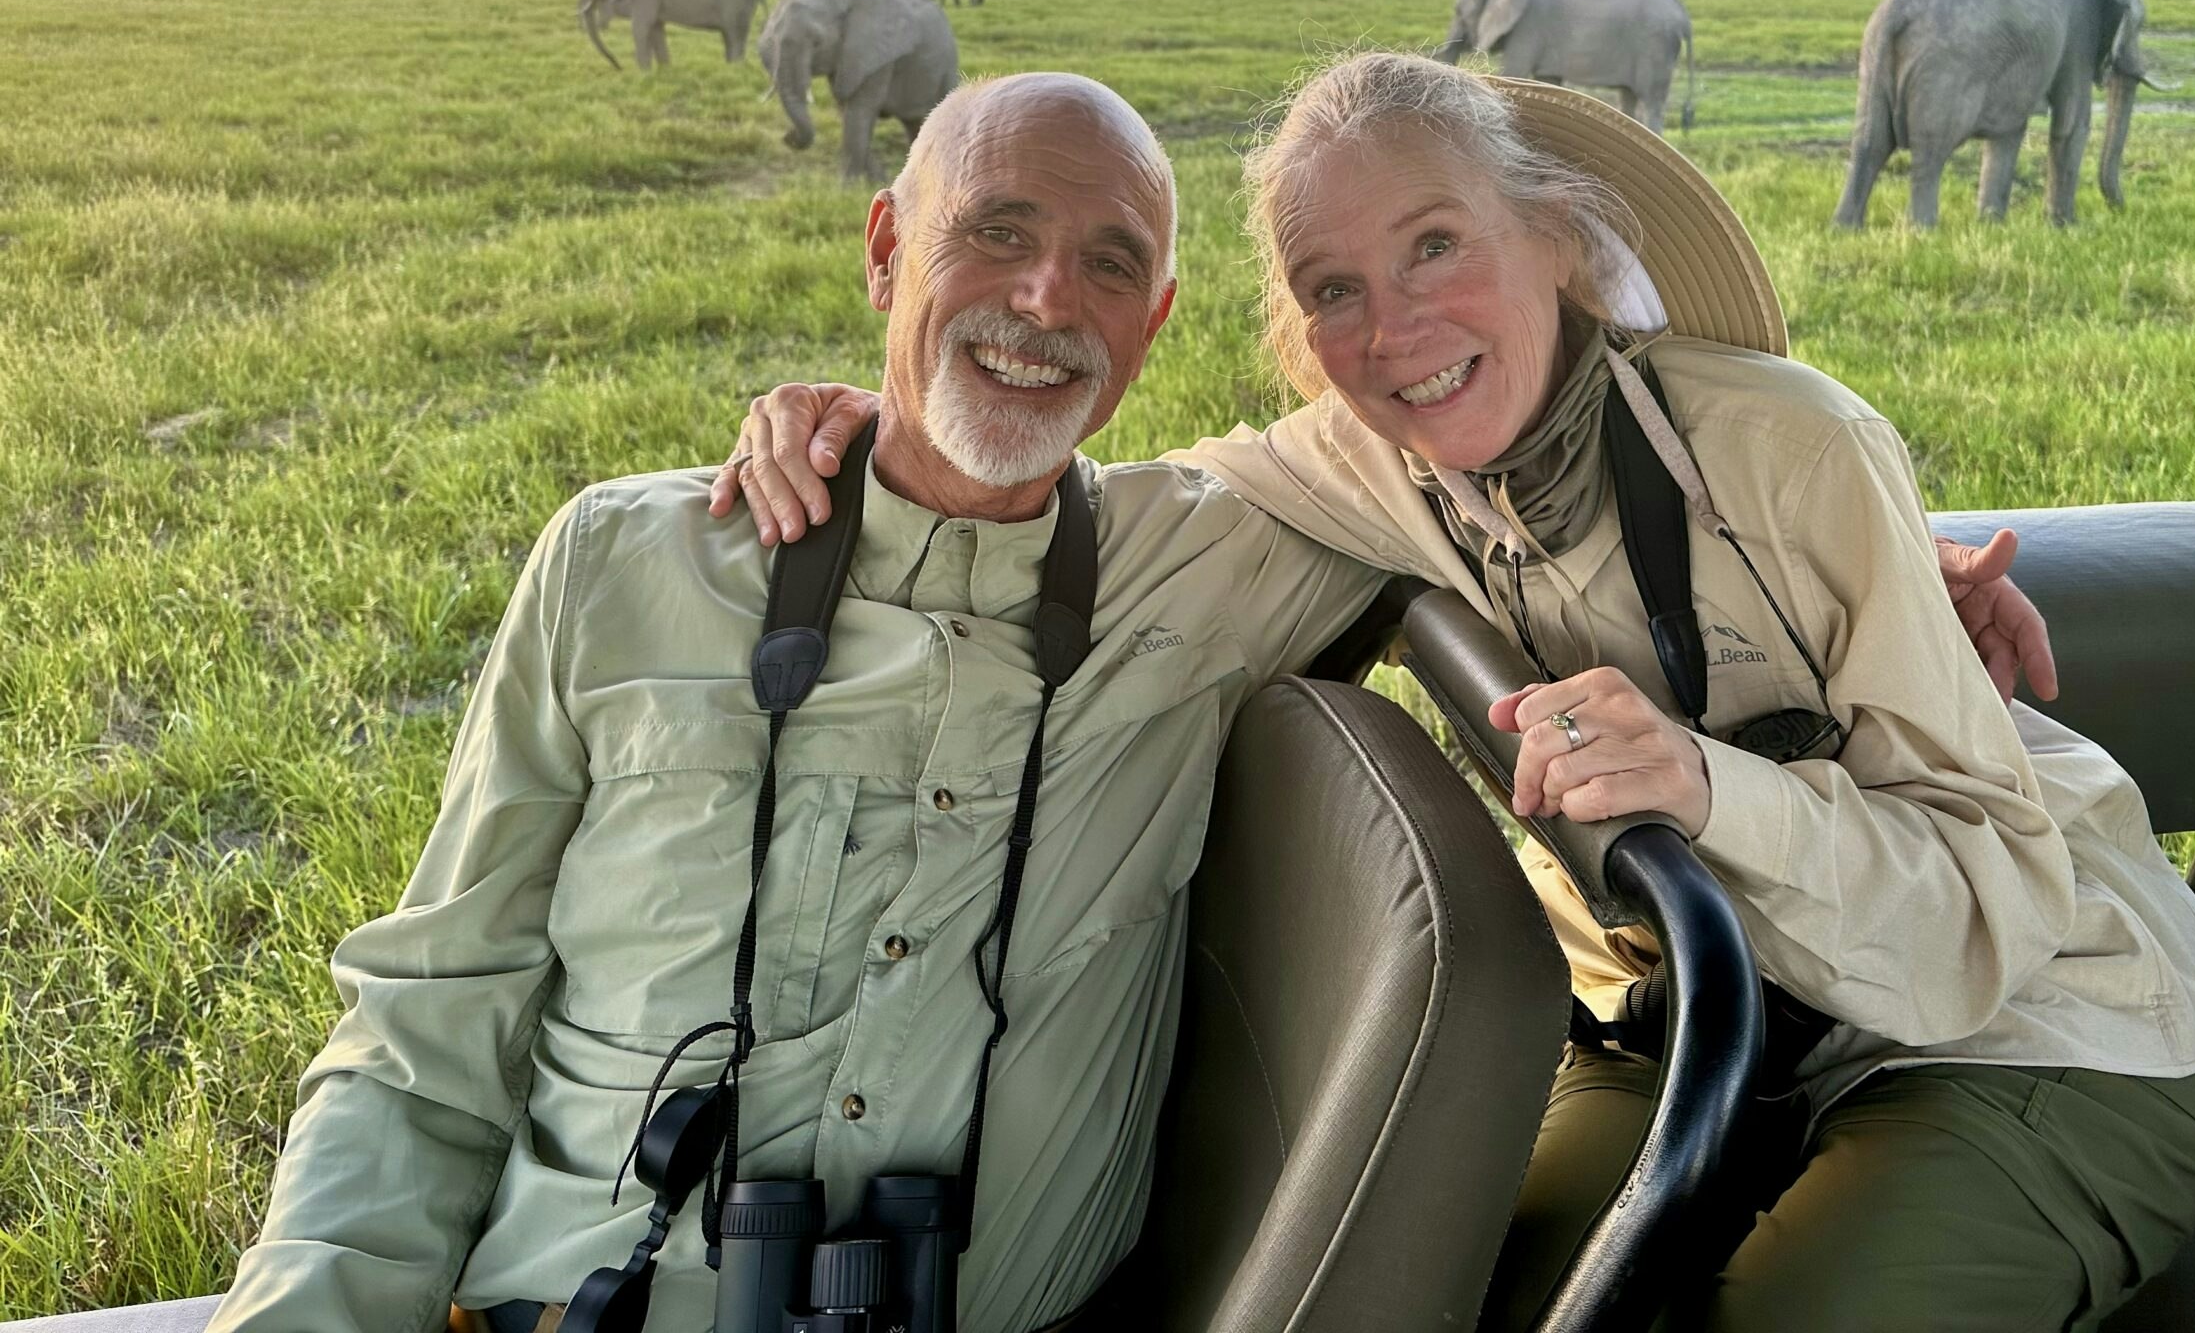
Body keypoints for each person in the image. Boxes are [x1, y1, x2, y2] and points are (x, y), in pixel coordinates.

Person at [721, 54, 2195, 1331]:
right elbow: (1079, 501)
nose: (1396, 328)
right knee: (1476, 1286)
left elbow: (1997, 907)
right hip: (1690, 1015)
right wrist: (879, 427)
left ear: (1557, 241)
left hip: (2036, 1025)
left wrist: (1707, 786)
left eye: (1436, 245)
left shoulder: (1798, 454)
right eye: (1335, 290)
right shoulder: (1368, 456)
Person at [209, 74, 1384, 1333]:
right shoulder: (626, 560)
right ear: (886, 251)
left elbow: (1482, 403)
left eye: (1108, 264)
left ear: (1150, 325)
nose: (1048, 300)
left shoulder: (1211, 564)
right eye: (995, 231)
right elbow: (431, 1016)